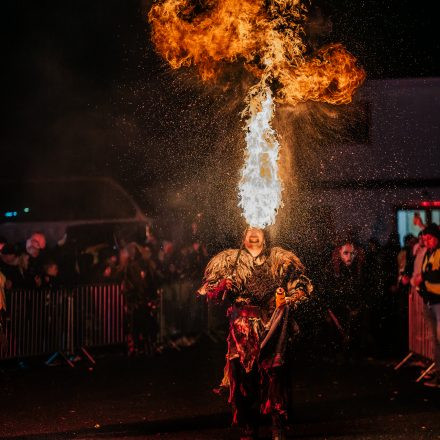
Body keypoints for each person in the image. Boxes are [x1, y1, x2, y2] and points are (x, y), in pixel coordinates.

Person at [198, 227, 313, 440]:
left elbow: (302, 286)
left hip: (273, 323)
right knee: (243, 375)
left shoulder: (280, 258)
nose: (253, 233)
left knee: (275, 373)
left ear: (264, 235)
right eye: (249, 230)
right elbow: (209, 291)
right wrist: (224, 285)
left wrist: (287, 298)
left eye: (258, 230)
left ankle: (278, 424)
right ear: (243, 235)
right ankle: (248, 425)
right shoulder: (229, 260)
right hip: (242, 326)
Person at [413, 224, 440, 388]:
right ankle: (438, 372)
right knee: (435, 341)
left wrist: (423, 277)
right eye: (425, 239)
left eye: (430, 238)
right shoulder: (428, 254)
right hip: (430, 301)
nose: (427, 241)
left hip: (438, 302)